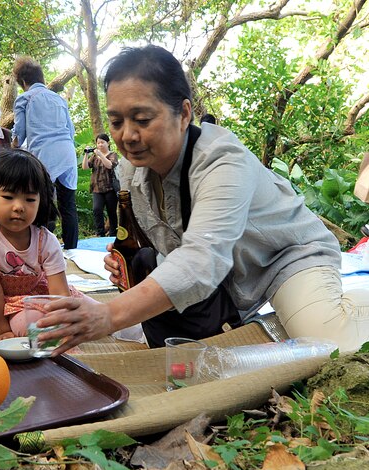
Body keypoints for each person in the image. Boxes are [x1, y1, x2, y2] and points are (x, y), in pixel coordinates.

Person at [33, 44, 369, 353]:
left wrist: (108, 315)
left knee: (330, 344)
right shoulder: (133, 173)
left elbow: (200, 260)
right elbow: (171, 254)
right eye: (117, 121)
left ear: (184, 113)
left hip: (285, 260)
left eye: (142, 119)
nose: (127, 136)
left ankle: (347, 301)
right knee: (147, 270)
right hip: (227, 280)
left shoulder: (223, 160)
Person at [0, 150, 89, 341]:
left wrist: (65, 321)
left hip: (48, 296)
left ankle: (139, 331)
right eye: (8, 197)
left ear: (40, 201)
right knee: (32, 327)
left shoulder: (46, 240)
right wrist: (4, 331)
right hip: (15, 305)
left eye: (29, 199)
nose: (19, 206)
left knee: (96, 313)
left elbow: (59, 292)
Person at [12, 57, 80, 250]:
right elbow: (71, 130)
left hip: (44, 155)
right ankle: (72, 251)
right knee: (68, 205)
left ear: (23, 82)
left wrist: (13, 148)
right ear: (41, 78)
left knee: (43, 203)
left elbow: (19, 134)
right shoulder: (58, 98)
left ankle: (42, 251)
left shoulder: (25, 98)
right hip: (67, 153)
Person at [82, 133, 120, 236]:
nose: (100, 145)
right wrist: (86, 154)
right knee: (96, 209)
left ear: (108, 143)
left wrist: (100, 155)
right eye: (98, 143)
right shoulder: (94, 156)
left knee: (111, 212)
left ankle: (113, 233)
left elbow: (109, 165)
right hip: (97, 189)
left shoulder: (113, 155)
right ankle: (100, 233)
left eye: (102, 142)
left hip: (110, 188)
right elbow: (85, 167)